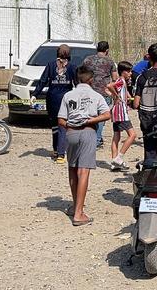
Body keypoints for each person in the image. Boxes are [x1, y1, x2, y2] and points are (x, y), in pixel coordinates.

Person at [57, 65, 111, 226]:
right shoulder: (96, 96)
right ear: (91, 80)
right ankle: (79, 213)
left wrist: (71, 125)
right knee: (83, 171)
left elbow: (60, 120)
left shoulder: (68, 95)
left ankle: (75, 206)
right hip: (88, 132)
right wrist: (90, 120)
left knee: (72, 170)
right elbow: (106, 114)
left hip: (71, 133)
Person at [31, 44, 77, 164]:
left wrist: (35, 94)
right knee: (63, 126)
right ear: (69, 54)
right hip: (65, 99)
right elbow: (77, 83)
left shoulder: (51, 65)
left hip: (52, 99)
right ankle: (61, 154)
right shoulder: (72, 67)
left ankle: (56, 150)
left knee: (55, 126)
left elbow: (43, 81)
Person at [82, 41, 118, 147]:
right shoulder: (110, 61)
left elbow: (81, 74)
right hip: (103, 92)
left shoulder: (87, 60)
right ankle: (97, 139)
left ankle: (90, 137)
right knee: (102, 116)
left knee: (89, 114)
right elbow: (114, 78)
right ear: (107, 50)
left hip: (89, 91)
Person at [106, 61, 136, 171]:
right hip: (120, 112)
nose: (130, 73)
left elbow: (109, 89)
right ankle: (119, 157)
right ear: (123, 72)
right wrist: (116, 96)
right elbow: (109, 86)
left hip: (116, 111)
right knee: (132, 135)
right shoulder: (120, 81)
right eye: (129, 71)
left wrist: (126, 96)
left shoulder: (123, 82)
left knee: (116, 136)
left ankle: (114, 162)